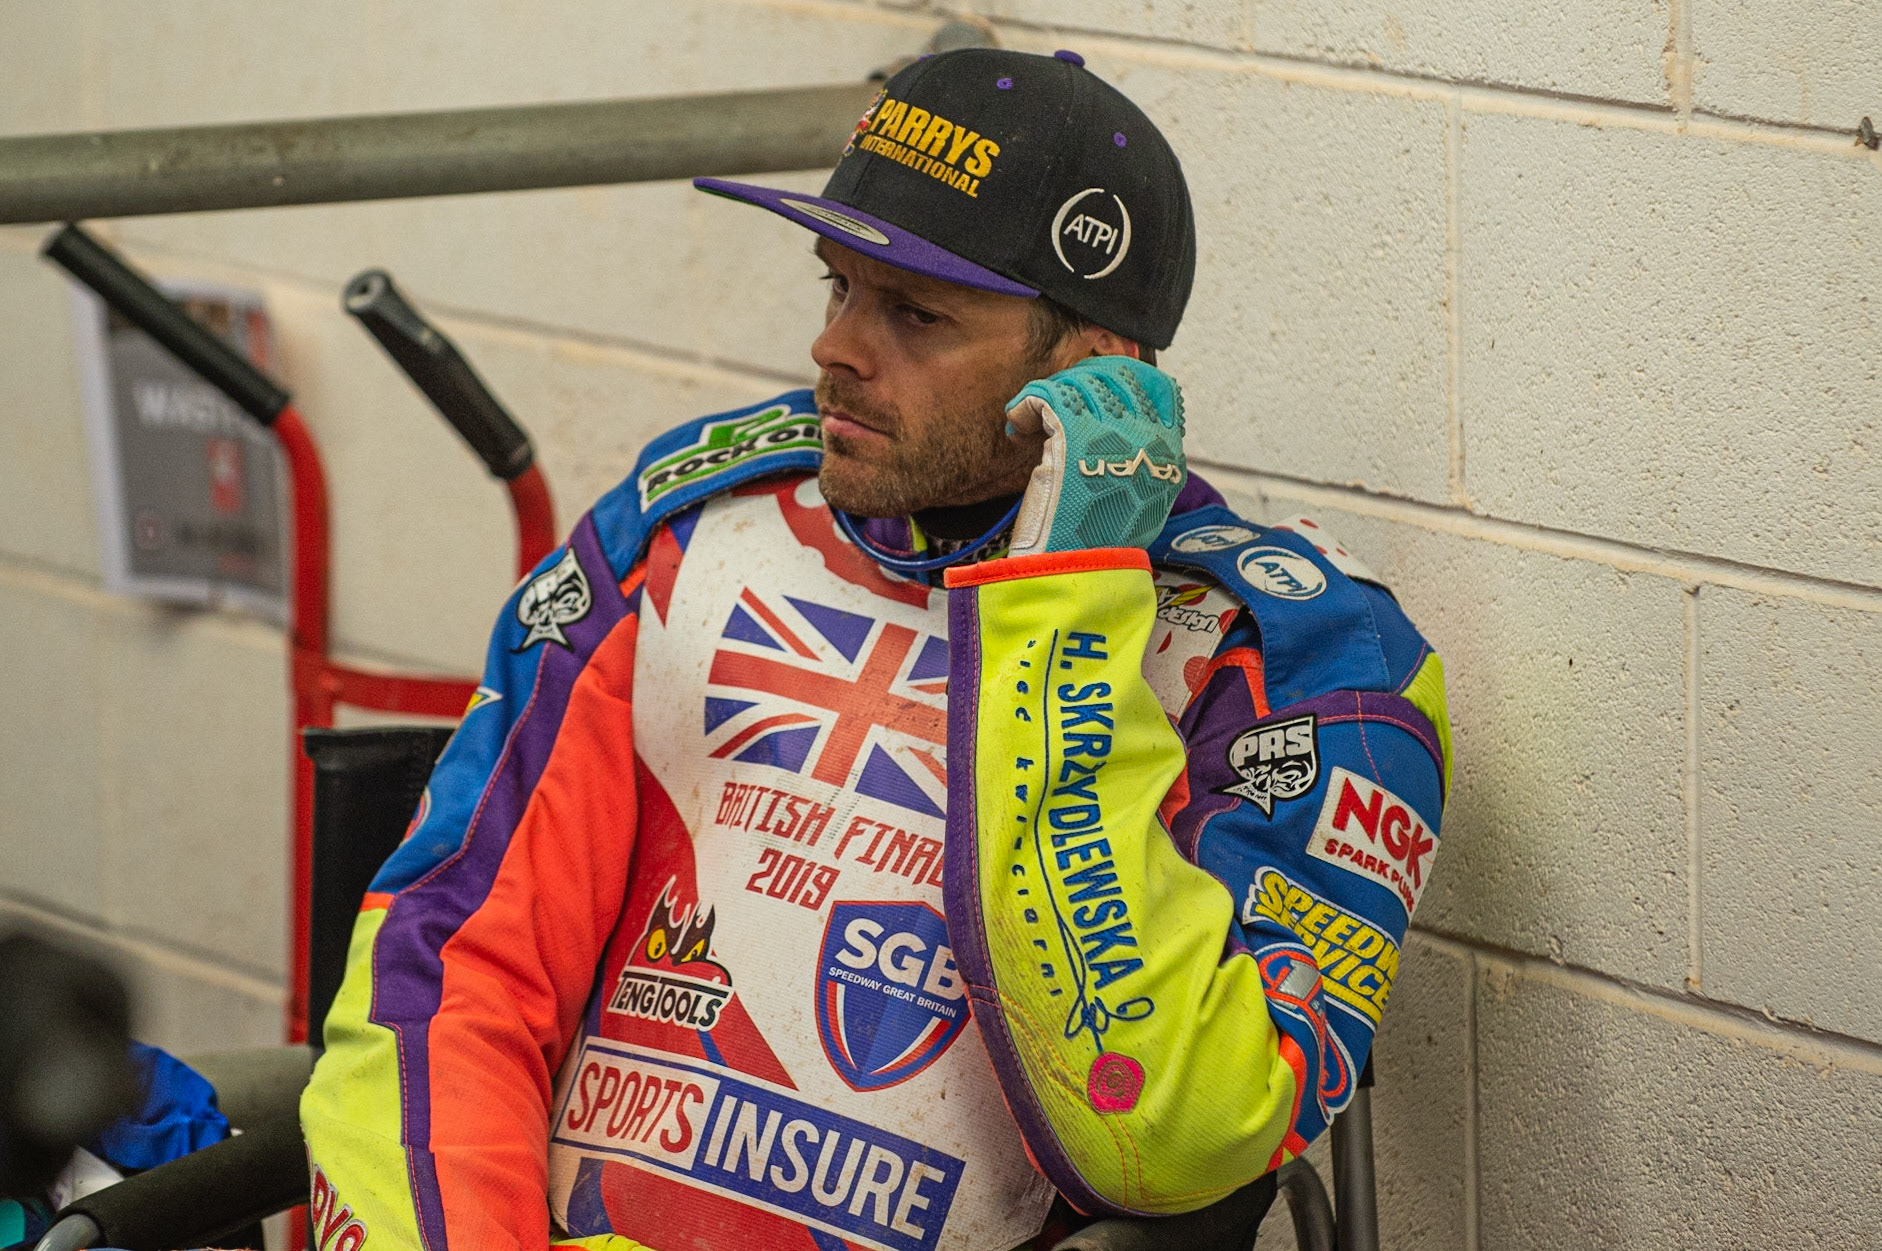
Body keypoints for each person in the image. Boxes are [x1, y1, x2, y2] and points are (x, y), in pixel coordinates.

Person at [301, 46, 1451, 1251]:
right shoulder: (686, 520)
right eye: (836, 286)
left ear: (1095, 370)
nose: (835, 349)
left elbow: (1166, 1130)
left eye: (913, 313)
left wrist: (1057, 609)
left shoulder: (1303, 657)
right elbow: (452, 968)